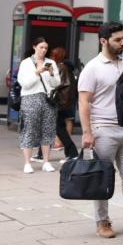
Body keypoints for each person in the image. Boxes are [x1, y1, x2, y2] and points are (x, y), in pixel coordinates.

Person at [77, 21, 123, 239]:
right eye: (117, 40)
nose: (122, 43)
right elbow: (83, 103)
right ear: (103, 41)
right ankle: (102, 221)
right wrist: (87, 133)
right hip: (103, 130)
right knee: (102, 179)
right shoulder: (92, 68)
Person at [17, 37, 60, 173]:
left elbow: (56, 83)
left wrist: (52, 73)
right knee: (30, 128)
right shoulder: (26, 63)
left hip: (48, 99)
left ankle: (46, 162)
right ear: (34, 47)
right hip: (30, 98)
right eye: (41, 47)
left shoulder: (51, 62)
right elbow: (24, 83)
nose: (43, 50)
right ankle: (27, 163)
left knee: (48, 129)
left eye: (46, 48)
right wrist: (37, 72)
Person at [49, 47, 79, 159]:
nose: (51, 56)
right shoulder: (65, 67)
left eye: (53, 54)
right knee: (59, 127)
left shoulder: (60, 67)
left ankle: (72, 153)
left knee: (59, 128)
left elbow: (57, 83)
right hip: (65, 101)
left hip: (60, 102)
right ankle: (70, 153)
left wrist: (50, 74)